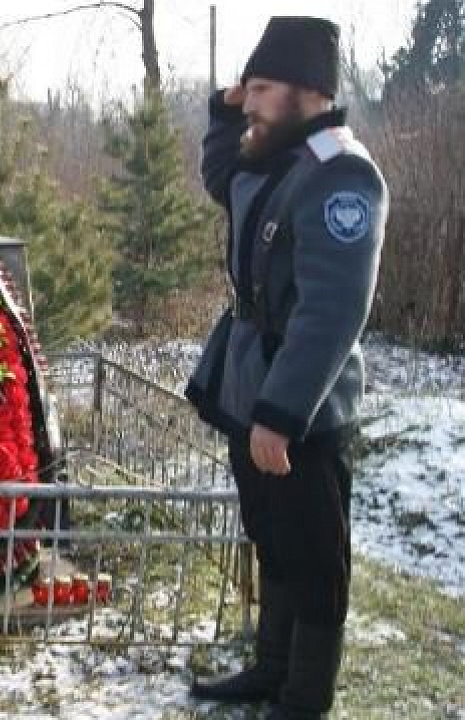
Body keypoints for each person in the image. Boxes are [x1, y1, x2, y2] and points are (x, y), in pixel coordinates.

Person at [185, 16, 388, 720]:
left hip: (301, 406)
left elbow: (333, 311)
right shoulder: (275, 154)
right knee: (269, 534)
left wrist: (281, 415)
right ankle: (271, 669)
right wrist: (223, 108)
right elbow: (222, 177)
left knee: (314, 556)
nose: (250, 101)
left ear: (307, 91)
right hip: (251, 381)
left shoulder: (341, 174)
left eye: (262, 88)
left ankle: (304, 700)